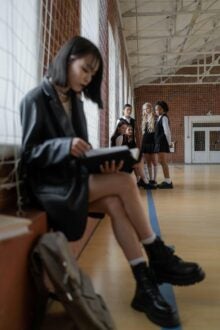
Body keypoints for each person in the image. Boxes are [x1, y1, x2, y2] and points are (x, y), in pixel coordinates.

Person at [20, 36, 205, 328]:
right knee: (123, 183)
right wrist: (64, 147)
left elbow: (84, 148)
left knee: (116, 201)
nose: (88, 77)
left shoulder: (76, 102)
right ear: (67, 60)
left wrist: (100, 161)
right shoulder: (34, 99)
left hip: (74, 179)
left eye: (93, 73)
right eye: (85, 69)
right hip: (49, 187)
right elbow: (29, 155)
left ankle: (143, 284)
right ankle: (157, 254)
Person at [154, 101, 173, 189]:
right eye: (156, 109)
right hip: (159, 142)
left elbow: (167, 131)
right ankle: (167, 180)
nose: (157, 111)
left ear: (163, 109)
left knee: (163, 161)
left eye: (159, 109)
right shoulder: (159, 118)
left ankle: (168, 182)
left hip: (162, 142)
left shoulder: (164, 118)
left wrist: (169, 143)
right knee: (161, 161)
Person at [141, 102, 158, 186]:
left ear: (150, 108)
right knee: (148, 162)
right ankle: (150, 179)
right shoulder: (144, 119)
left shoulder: (155, 117)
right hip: (145, 142)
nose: (146, 110)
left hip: (153, 142)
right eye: (144, 109)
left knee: (154, 161)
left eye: (147, 108)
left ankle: (154, 179)